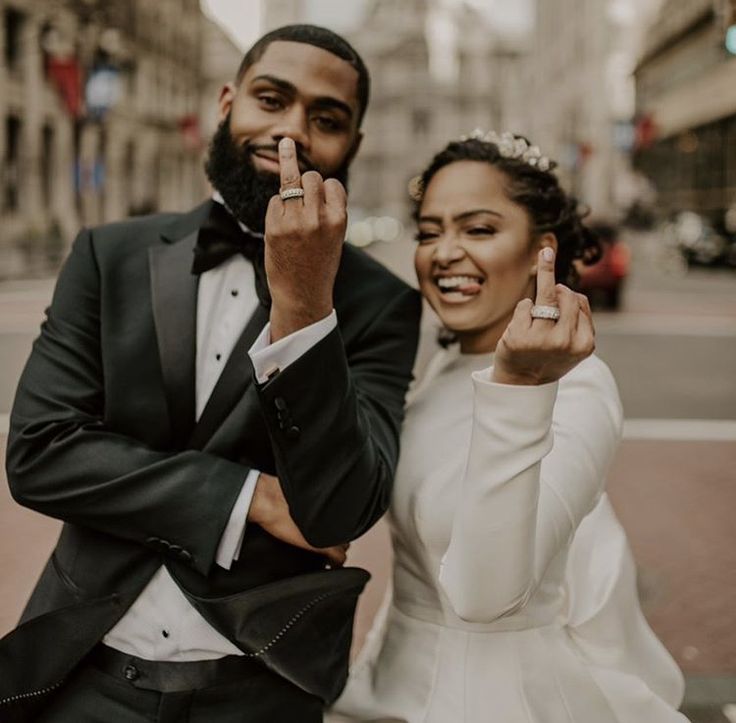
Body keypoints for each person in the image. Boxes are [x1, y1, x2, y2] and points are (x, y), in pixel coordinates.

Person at [0, 25, 421, 723]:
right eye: (271, 98)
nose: (291, 132)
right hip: (82, 672)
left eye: (326, 118)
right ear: (227, 103)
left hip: (264, 686)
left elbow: (341, 511)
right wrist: (249, 495)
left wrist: (306, 304)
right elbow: (39, 453)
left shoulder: (382, 304)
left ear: (352, 147)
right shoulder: (110, 255)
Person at [331, 131, 688, 722]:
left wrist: (521, 387)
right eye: (429, 231)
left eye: (478, 229)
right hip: (393, 687)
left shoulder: (576, 385)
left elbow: (485, 596)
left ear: (540, 251)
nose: (444, 251)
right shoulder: (440, 366)